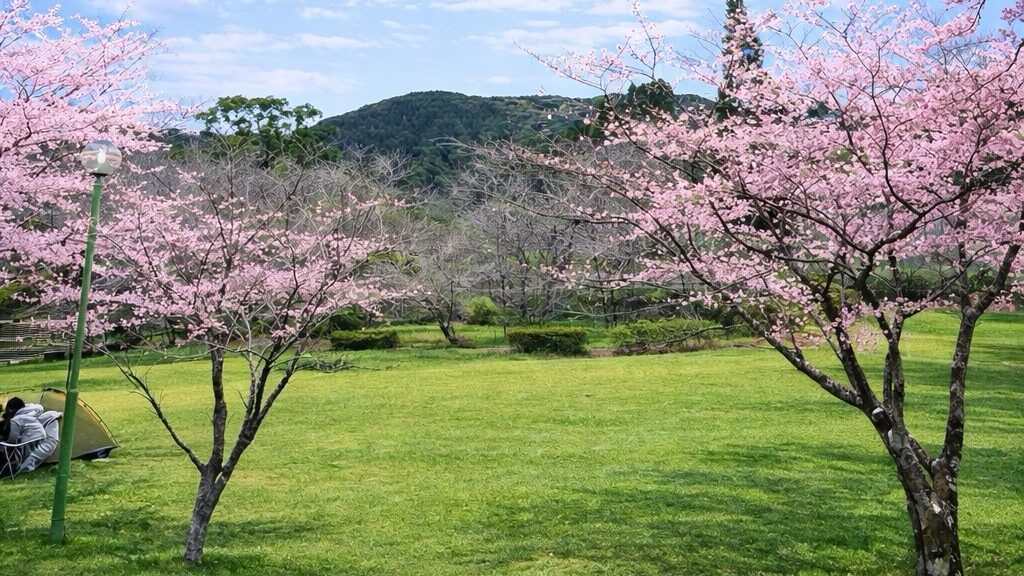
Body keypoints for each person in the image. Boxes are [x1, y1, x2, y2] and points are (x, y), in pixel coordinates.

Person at [3, 396, 60, 473]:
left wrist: (5, 442)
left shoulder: (16, 420)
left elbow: (13, 438)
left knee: (4, 445)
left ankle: (12, 462)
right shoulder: (32, 412)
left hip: (29, 441)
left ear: (10, 409)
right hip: (40, 436)